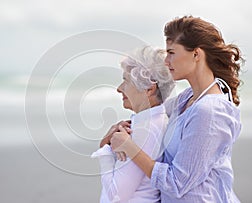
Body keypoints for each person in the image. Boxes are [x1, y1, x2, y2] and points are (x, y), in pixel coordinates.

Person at [110, 15, 244, 202]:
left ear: (196, 54)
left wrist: (129, 147)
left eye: (171, 53)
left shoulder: (210, 111)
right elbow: (151, 113)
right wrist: (121, 127)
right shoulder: (187, 98)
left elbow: (176, 184)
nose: (166, 61)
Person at [91, 46, 175, 202]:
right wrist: (109, 140)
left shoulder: (146, 129)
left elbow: (115, 195)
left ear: (149, 89)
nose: (119, 89)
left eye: (126, 81)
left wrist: (105, 154)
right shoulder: (154, 121)